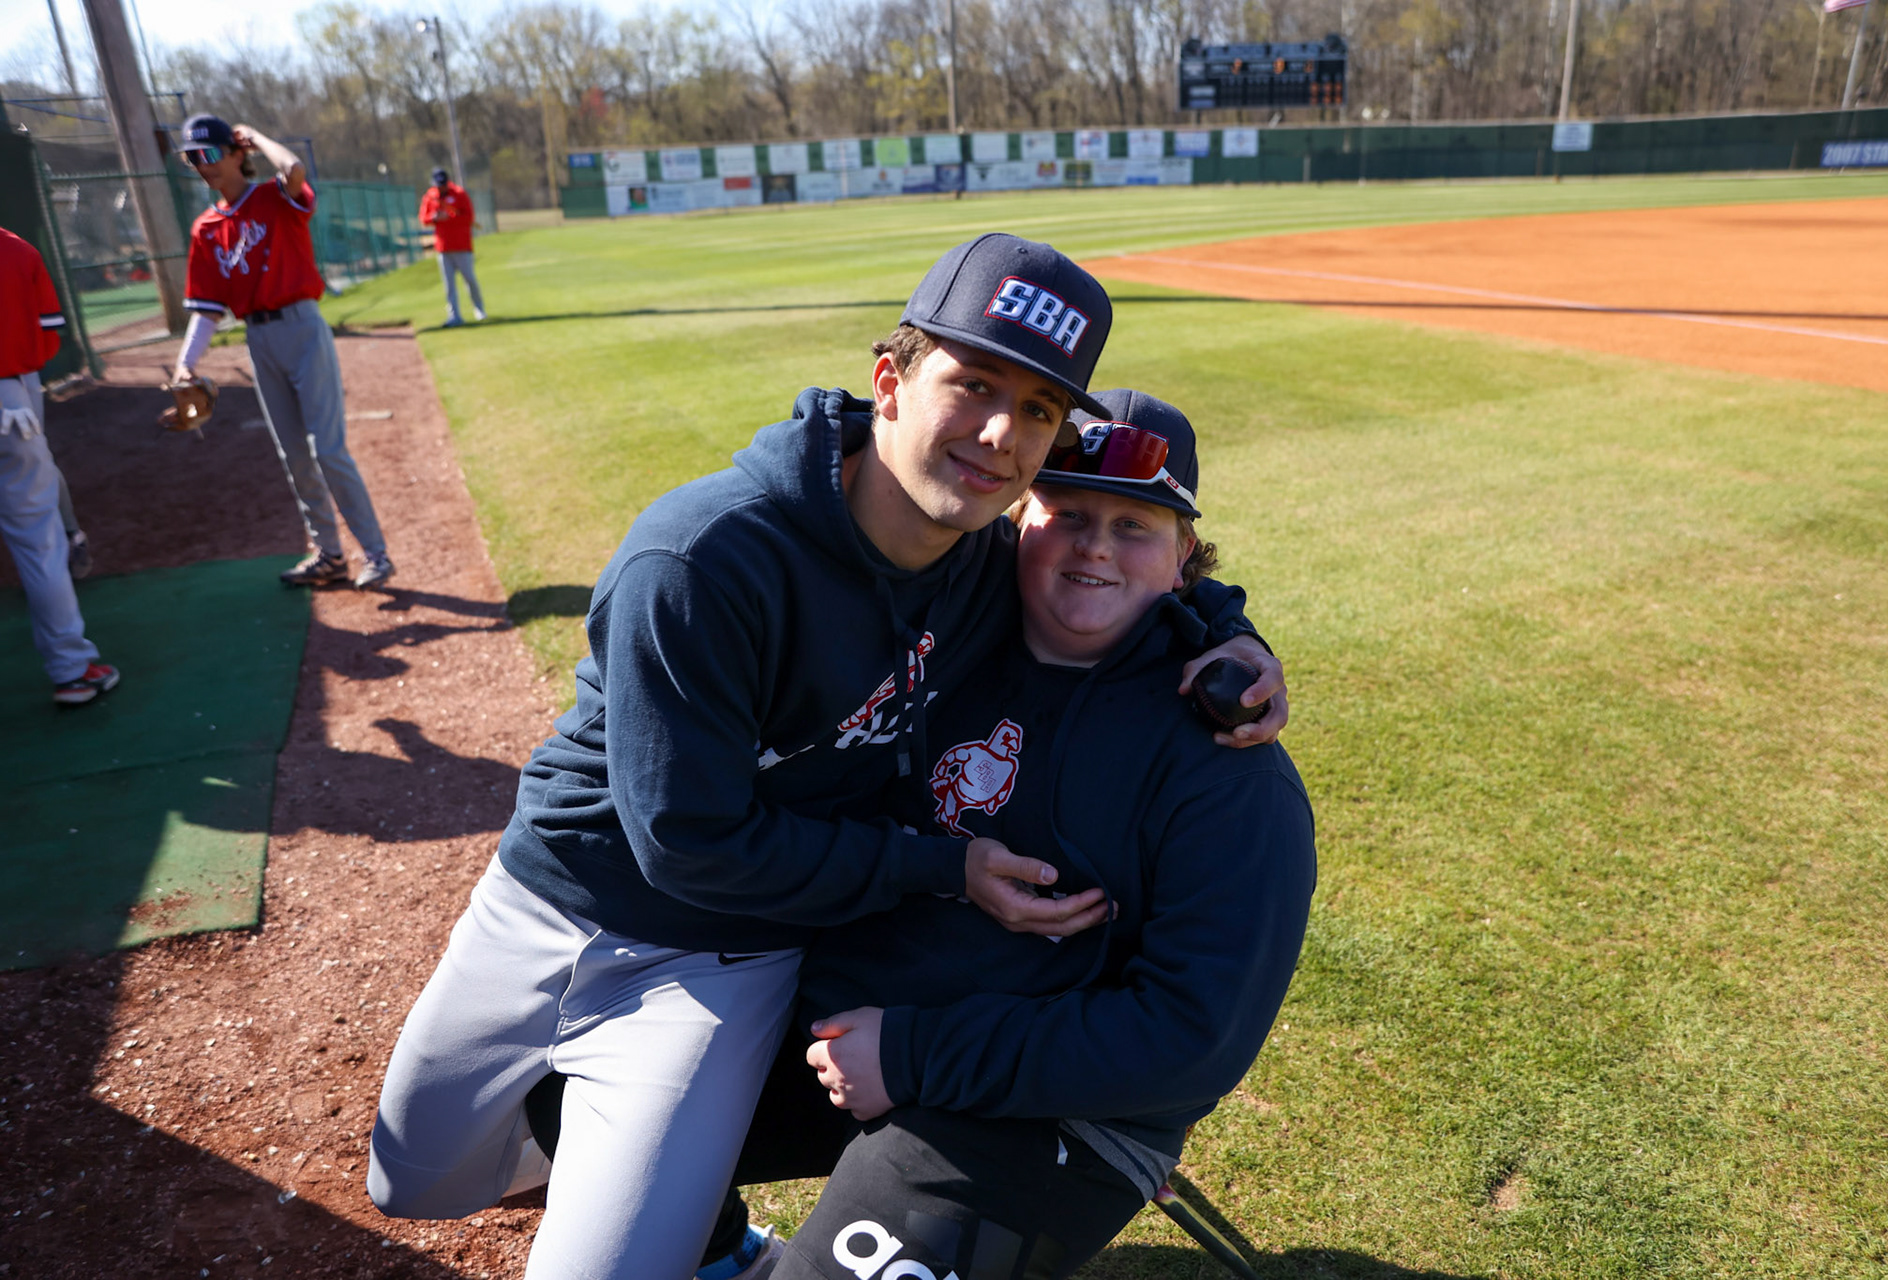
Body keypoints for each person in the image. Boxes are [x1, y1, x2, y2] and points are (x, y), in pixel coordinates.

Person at [365, 234, 1286, 1280]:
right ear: (889, 382)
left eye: (1037, 410)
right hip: (575, 892)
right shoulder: (704, 559)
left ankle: (708, 1239)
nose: (999, 434)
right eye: (973, 385)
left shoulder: (1008, 577)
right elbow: (689, 842)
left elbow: (1131, 566)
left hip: (739, 949)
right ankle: (680, 1206)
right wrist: (945, 867)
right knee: (413, 1180)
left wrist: (1228, 632)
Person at [721, 389, 1317, 1279]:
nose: (1095, 547)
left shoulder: (1230, 766)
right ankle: (726, 1256)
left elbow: (1191, 1038)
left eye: (1135, 526)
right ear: (1014, 526)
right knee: (569, 1105)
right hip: (846, 1025)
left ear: (1184, 558)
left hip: (1059, 1106)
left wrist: (915, 1055)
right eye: (1067, 512)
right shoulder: (942, 639)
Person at [171, 114, 394, 590]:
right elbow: (207, 310)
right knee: (293, 454)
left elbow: (294, 170)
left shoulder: (274, 198)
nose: (201, 165)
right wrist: (185, 363)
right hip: (258, 338)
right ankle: (329, 555)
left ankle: (375, 553)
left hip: (302, 326)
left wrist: (256, 137)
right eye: (191, 158)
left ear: (237, 154)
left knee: (327, 450)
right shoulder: (206, 229)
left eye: (208, 153)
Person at [0, 225, 119, 704]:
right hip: (11, 396)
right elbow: (50, 338)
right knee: (38, 540)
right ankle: (72, 670)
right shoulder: (16, 249)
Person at [419, 167, 484, 327]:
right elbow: (424, 218)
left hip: (462, 246)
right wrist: (435, 218)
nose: (441, 187)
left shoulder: (459, 194)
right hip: (443, 247)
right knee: (449, 285)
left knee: (469, 279)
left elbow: (469, 217)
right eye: (438, 184)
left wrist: (449, 218)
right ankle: (454, 316)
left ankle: (479, 309)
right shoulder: (430, 196)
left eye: (443, 184)